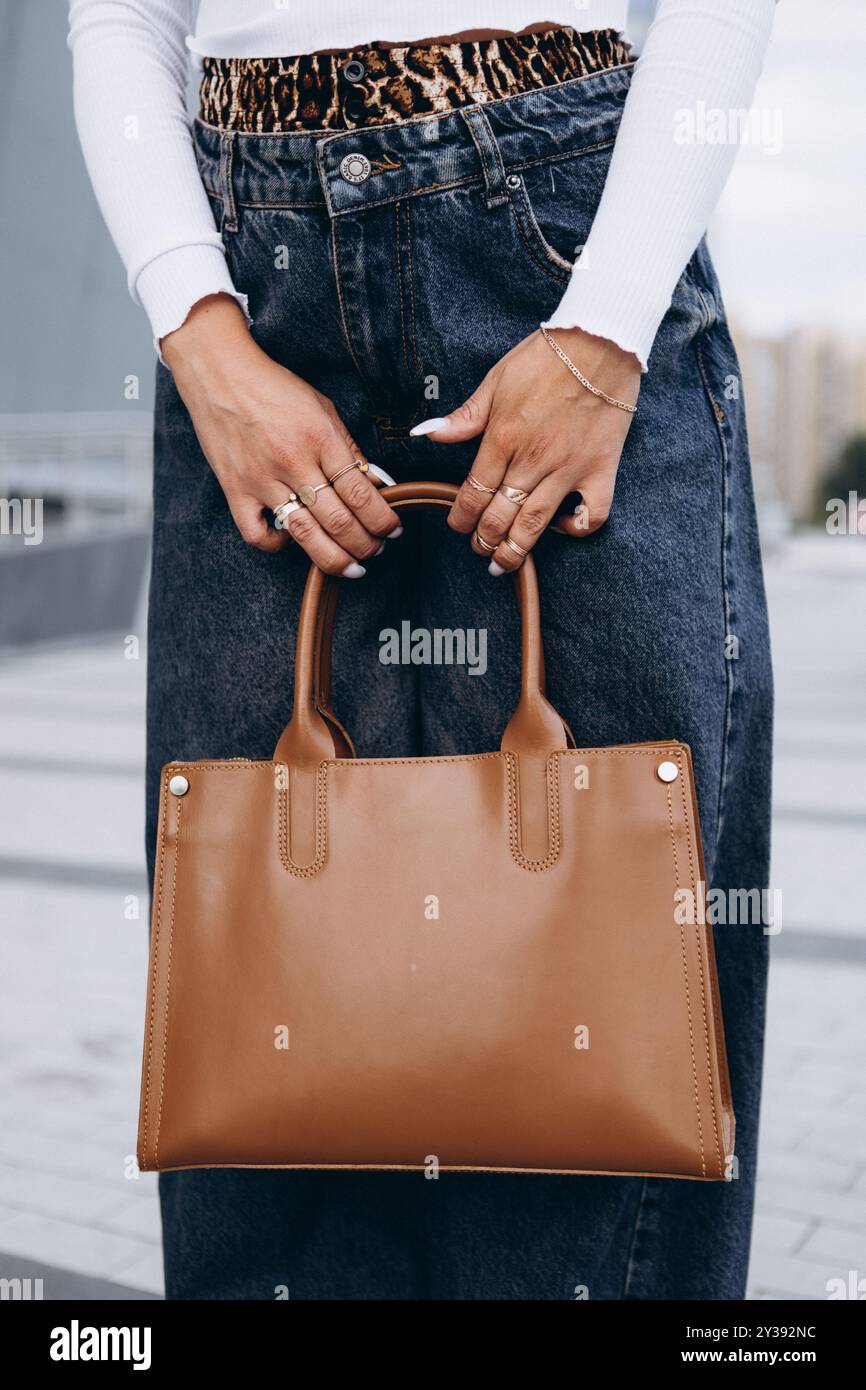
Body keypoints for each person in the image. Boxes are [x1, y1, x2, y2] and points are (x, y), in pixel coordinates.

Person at [69, 0, 777, 1300]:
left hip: (562, 244)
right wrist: (200, 339)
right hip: (250, 288)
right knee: (271, 1056)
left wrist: (607, 322)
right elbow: (117, 16)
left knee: (603, 1063)